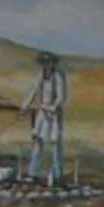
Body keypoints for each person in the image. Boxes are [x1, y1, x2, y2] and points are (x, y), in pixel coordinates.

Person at [19, 51, 69, 188]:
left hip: (54, 113)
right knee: (37, 139)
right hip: (43, 111)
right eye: (44, 63)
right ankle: (32, 173)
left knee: (54, 144)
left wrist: (53, 107)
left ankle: (56, 175)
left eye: (49, 63)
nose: (46, 65)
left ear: (53, 63)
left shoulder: (58, 76)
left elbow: (61, 96)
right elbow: (34, 90)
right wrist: (24, 106)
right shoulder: (41, 75)